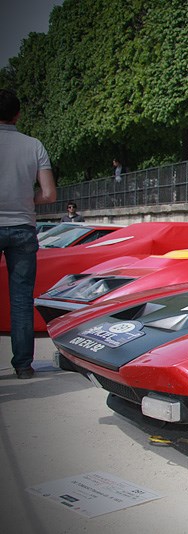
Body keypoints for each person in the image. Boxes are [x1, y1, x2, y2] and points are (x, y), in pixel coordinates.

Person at [0, 88, 57, 379]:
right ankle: (23, 365)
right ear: (18, 115)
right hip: (22, 226)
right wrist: (24, 199)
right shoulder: (34, 145)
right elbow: (48, 194)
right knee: (21, 299)